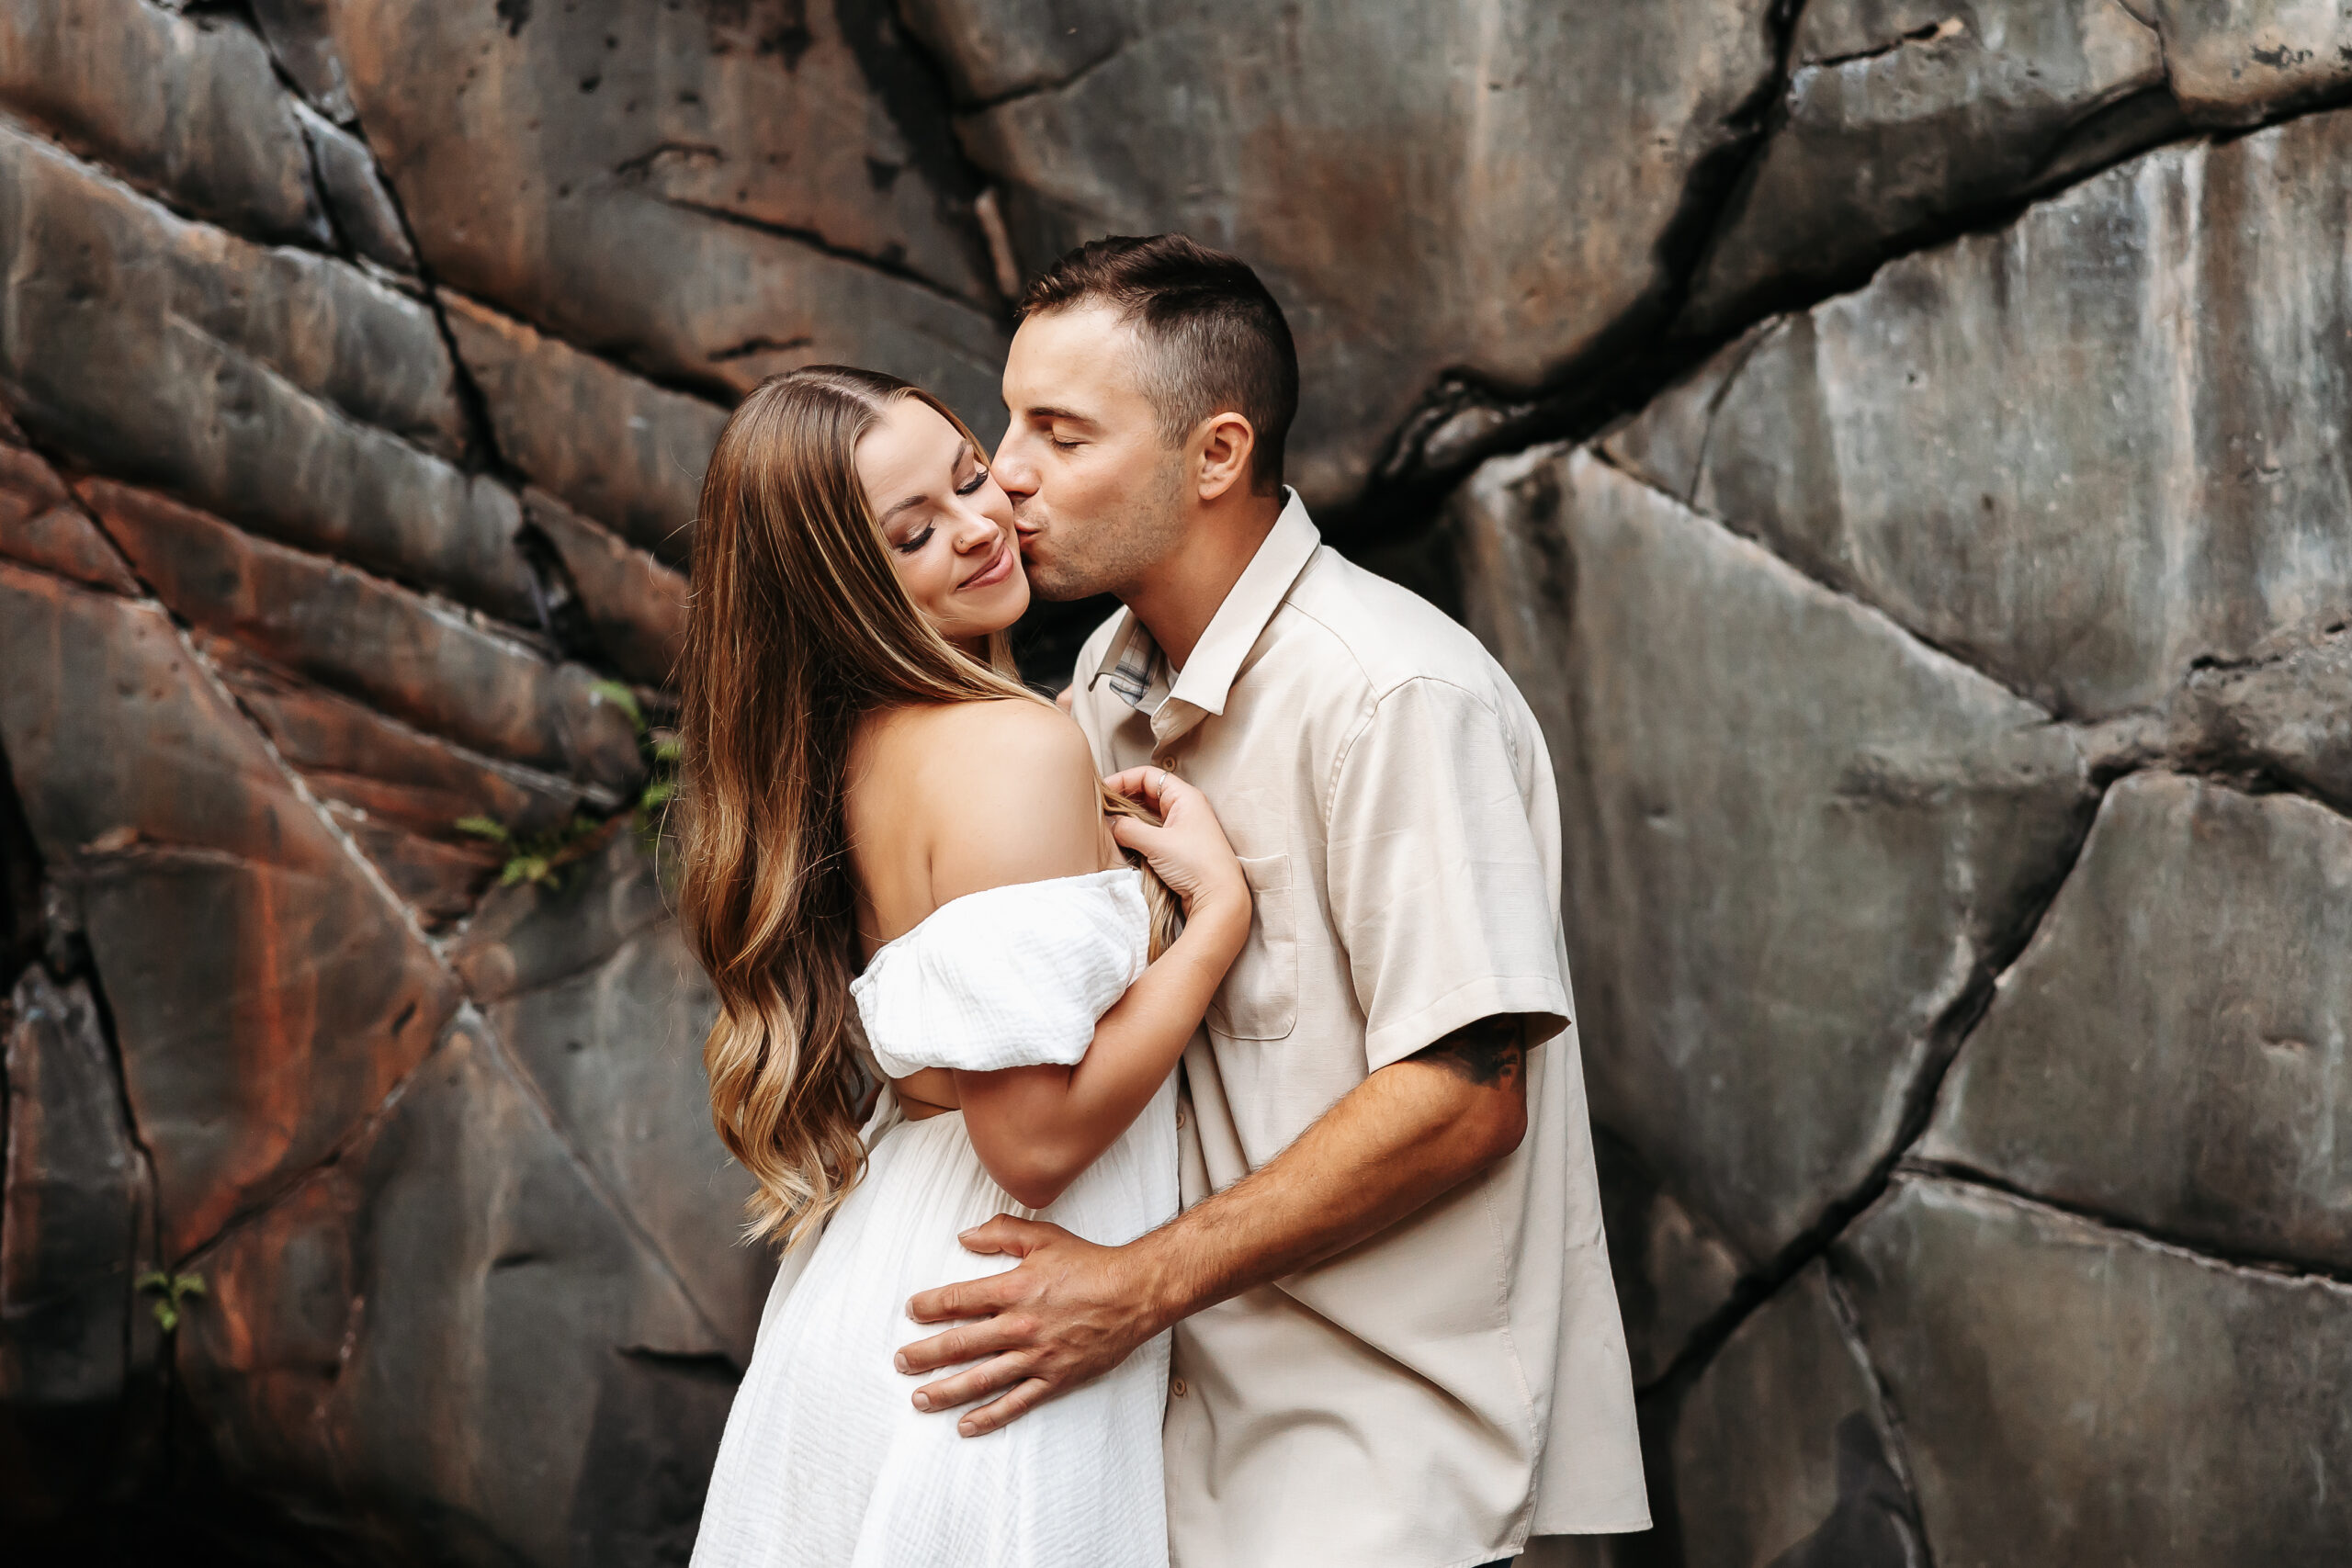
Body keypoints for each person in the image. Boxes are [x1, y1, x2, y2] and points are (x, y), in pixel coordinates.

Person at [891, 235, 1650, 1567]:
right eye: (1007, 419)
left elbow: (1466, 1099)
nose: (1005, 471)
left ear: (1217, 456)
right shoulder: (1090, 700)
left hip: (1364, 1482)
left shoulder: (1393, 696)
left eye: (1058, 433)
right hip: (1151, 1467)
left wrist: (1133, 1291)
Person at [676, 365, 1253, 1567]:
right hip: (1001, 1317)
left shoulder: (862, 749)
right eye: (913, 532)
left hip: (906, 1285)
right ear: (843, 588)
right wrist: (1213, 930)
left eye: (969, 476)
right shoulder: (1010, 746)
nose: (981, 525)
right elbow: (1031, 1142)